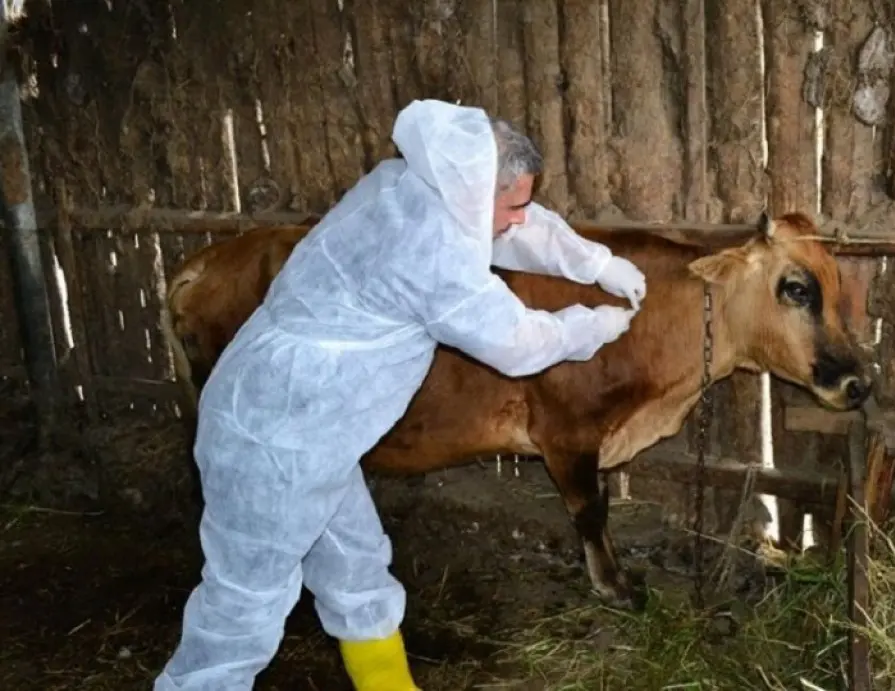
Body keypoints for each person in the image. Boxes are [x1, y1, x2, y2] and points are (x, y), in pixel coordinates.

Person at [154, 98, 647, 691]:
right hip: (276, 437)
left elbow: (508, 223)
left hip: (311, 429)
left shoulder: (407, 184)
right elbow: (517, 343)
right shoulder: (434, 255)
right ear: (472, 187)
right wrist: (592, 326)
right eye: (513, 202)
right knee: (243, 606)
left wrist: (597, 262)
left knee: (357, 572)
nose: (520, 217)